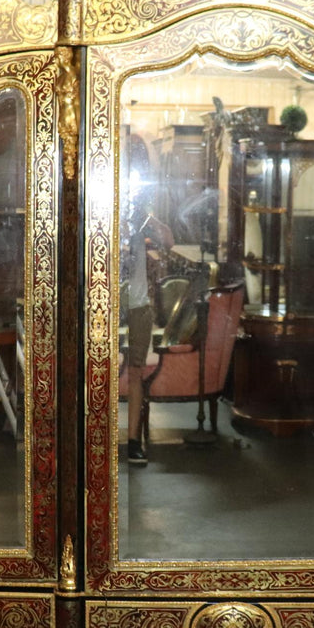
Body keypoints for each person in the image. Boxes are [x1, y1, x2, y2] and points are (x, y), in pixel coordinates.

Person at [122, 187, 173, 465]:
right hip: (104, 306)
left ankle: (133, 440)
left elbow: (170, 240)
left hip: (138, 306)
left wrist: (146, 218)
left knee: (136, 372)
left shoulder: (140, 221)